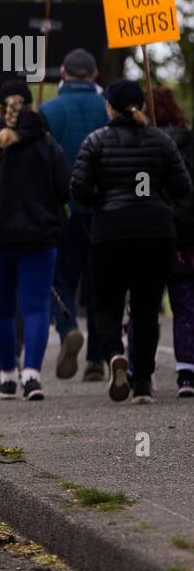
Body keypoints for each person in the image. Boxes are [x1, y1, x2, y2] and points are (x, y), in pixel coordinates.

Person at [72, 79, 192, 403]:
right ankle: (142, 383)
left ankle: (113, 353)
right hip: (156, 233)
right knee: (147, 308)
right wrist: (157, 196)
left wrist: (103, 197)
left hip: (110, 233)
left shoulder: (95, 142)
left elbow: (79, 191)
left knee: (107, 303)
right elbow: (183, 188)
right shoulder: (162, 142)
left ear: (109, 106)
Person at [0, 80, 71, 401]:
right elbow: (64, 190)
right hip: (40, 238)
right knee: (36, 307)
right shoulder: (47, 145)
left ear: (2, 107)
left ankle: (6, 375)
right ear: (31, 105)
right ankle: (32, 374)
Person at [40, 47, 110, 381]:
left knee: (57, 279)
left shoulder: (48, 110)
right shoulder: (108, 107)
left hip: (61, 210)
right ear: (95, 75)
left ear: (63, 75)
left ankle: (67, 326)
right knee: (99, 284)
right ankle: (97, 357)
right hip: (105, 210)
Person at [136, 85, 194, 397]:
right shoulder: (189, 142)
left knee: (145, 304)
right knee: (185, 303)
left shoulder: (141, 144)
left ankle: (139, 372)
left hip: (148, 233)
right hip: (184, 236)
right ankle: (187, 371)